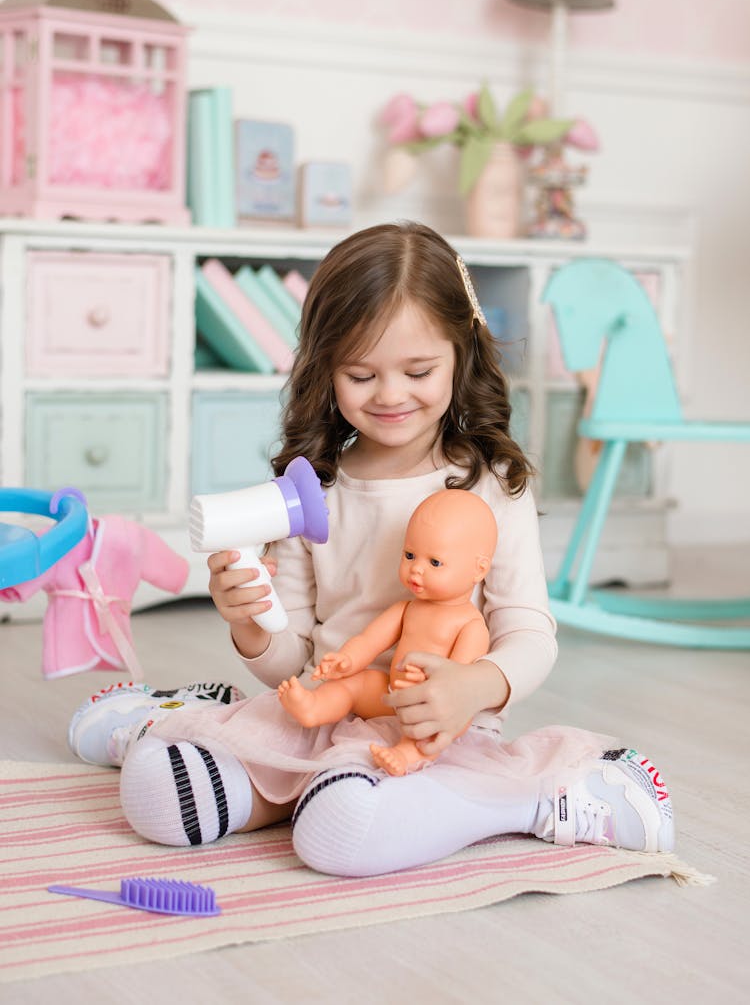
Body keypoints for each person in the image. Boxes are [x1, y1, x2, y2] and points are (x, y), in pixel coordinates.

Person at [67, 221, 674, 876]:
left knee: (342, 834)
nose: (390, 396)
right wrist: (251, 626)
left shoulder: (492, 485)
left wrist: (476, 685)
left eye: (418, 371)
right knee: (159, 791)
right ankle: (215, 733)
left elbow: (528, 630)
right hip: (319, 712)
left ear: (460, 355)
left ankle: (530, 798)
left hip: (433, 730)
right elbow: (293, 665)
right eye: (361, 374)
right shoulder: (316, 488)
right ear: (325, 367)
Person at [277, 487, 497, 777]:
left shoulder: (470, 625)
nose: (416, 569)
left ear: (478, 569)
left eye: (434, 562)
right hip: (390, 692)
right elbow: (369, 640)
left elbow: (460, 678)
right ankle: (315, 706)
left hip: (437, 706)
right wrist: (347, 660)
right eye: (409, 555)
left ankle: (408, 753)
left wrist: (431, 684)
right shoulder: (408, 609)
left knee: (429, 725)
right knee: (355, 684)